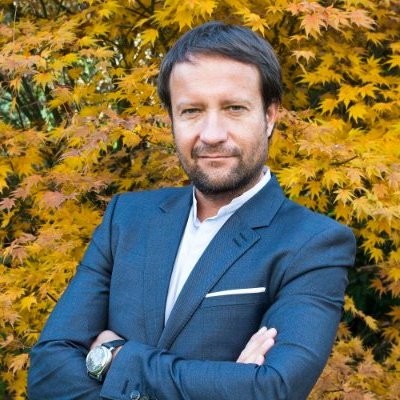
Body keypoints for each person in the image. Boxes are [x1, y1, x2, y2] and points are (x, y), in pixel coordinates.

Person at [27, 21, 356, 400]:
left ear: (269, 116)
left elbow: (271, 389)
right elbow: (47, 373)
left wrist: (116, 357)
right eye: (192, 111)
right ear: (172, 119)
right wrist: (225, 384)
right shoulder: (127, 218)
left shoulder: (313, 243)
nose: (212, 134)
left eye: (234, 108)